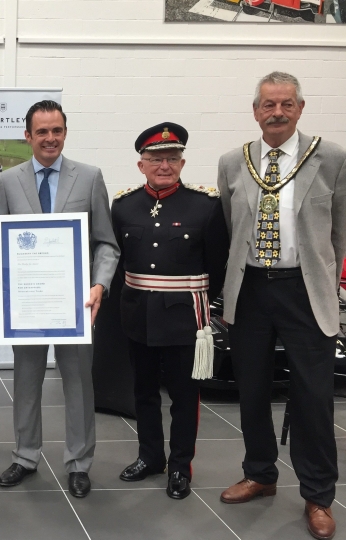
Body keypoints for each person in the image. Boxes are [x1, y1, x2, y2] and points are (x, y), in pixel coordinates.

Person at [217, 72, 346, 540]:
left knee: (313, 397)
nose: (277, 112)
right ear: (255, 111)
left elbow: (339, 230)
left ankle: (317, 496)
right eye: (269, 105)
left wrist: (325, 279)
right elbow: (233, 228)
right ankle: (260, 474)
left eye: (286, 104)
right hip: (250, 289)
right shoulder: (234, 161)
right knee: (251, 389)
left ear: (300, 108)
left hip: (304, 291)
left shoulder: (330, 158)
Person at [0, 100, 120, 498]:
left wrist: (99, 285)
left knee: (79, 385)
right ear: (28, 136)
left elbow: (106, 243)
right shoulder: (7, 181)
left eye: (57, 131)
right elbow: (2, 243)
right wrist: (0, 271)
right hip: (29, 303)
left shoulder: (89, 177)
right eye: (42, 132)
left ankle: (79, 463)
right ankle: (26, 455)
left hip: (76, 305)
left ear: (65, 133)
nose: (50, 138)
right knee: (26, 382)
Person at [111, 122, 229, 500]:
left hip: (184, 318)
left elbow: (219, 264)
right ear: (140, 164)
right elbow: (115, 260)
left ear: (182, 162)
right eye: (156, 159)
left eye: (172, 158)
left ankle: (180, 465)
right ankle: (150, 456)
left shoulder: (206, 205)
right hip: (137, 313)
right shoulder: (124, 205)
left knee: (183, 396)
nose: (164, 165)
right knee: (142, 392)